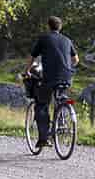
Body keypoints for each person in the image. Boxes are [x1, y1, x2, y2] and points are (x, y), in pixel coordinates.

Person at [26, 16, 79, 148]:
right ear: (60, 27)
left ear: (48, 26)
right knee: (60, 99)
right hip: (67, 76)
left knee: (41, 104)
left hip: (50, 77)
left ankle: (44, 138)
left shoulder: (44, 39)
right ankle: (60, 124)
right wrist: (67, 67)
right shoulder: (67, 40)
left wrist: (27, 71)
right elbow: (76, 59)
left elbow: (33, 57)